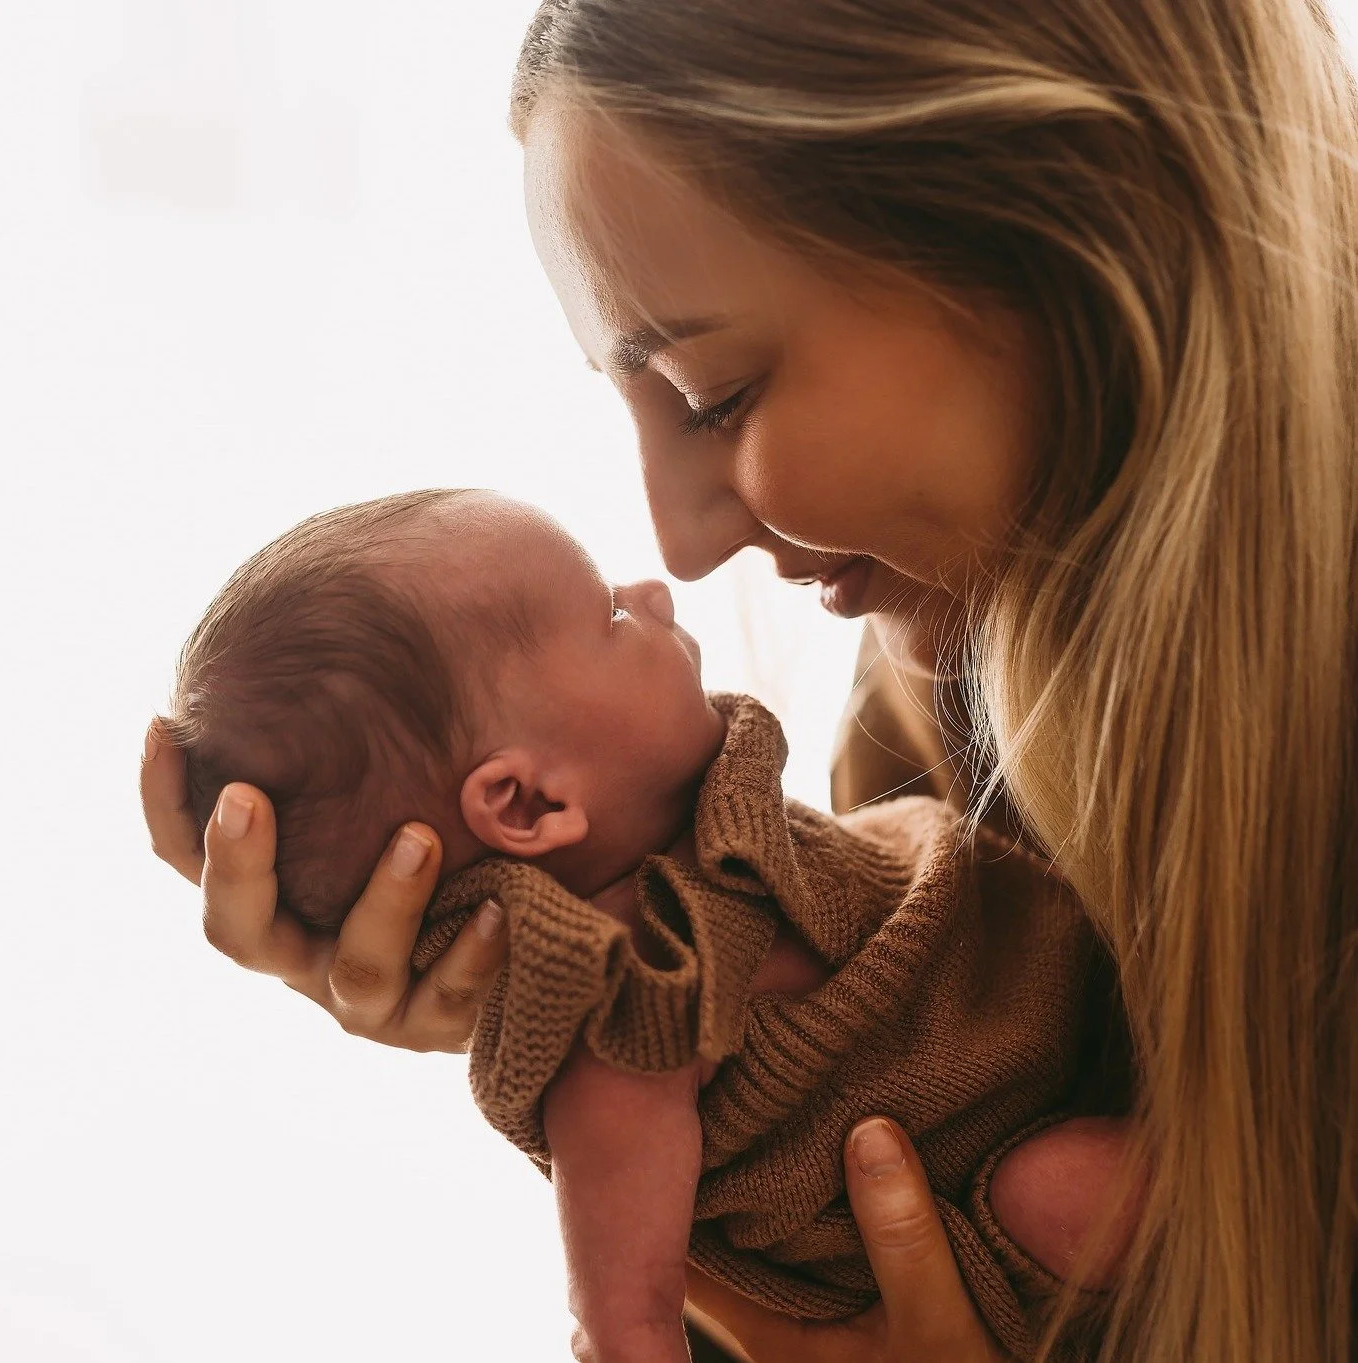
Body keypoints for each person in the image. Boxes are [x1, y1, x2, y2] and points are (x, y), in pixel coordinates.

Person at [142, 1, 1358, 1359]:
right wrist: (535, 994)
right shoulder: (920, 707)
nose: (679, 542)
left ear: (1074, 236)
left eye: (714, 395)